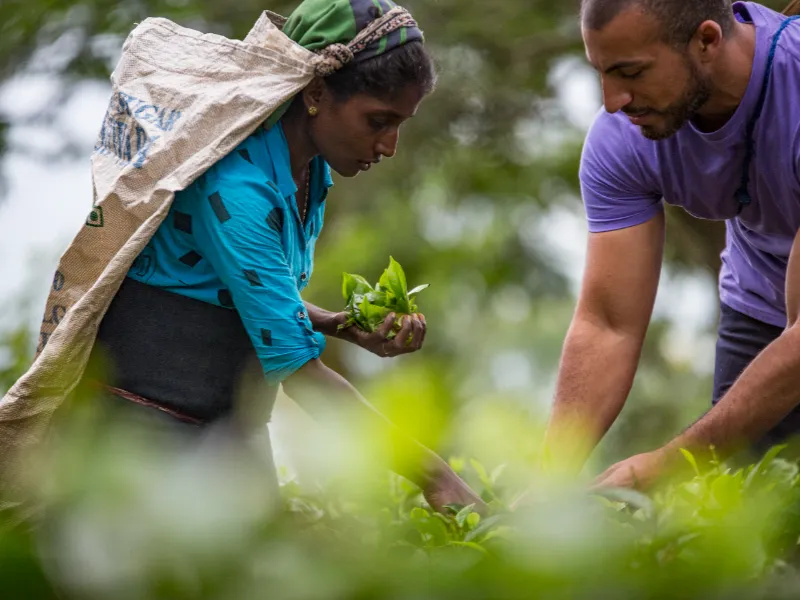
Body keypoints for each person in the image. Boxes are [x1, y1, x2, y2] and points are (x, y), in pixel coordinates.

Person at [75, 0, 484, 513]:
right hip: (141, 439)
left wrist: (336, 323)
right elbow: (300, 374)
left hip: (223, 435)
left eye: (399, 123)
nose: (389, 145)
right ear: (316, 93)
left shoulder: (309, 173)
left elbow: (235, 293)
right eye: (378, 120)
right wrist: (433, 475)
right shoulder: (238, 187)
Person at [540, 0, 800, 490]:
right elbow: (608, 324)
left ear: (706, 41)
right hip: (761, 302)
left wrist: (669, 461)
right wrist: (546, 487)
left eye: (630, 72)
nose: (613, 99)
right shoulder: (620, 140)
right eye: (600, 73)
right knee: (753, 529)